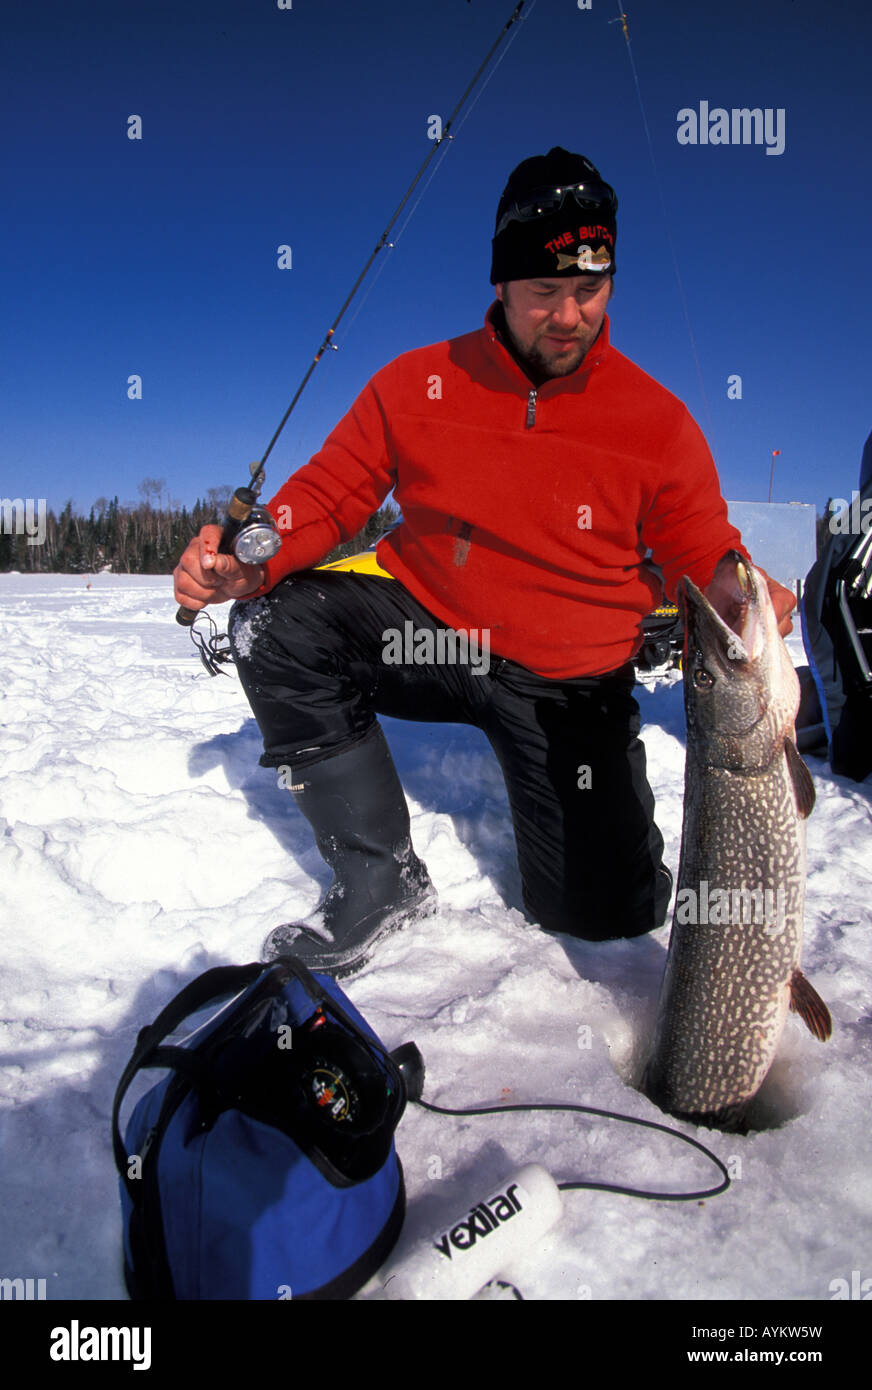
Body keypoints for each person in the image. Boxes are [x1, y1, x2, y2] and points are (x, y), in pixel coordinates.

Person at [174, 146, 795, 976]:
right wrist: (253, 558)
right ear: (500, 283)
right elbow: (326, 496)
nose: (569, 315)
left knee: (601, 919)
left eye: (590, 288)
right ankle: (377, 879)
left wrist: (738, 589)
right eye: (545, 292)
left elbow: (700, 547)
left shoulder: (658, 422)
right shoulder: (417, 383)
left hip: (565, 684)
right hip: (435, 633)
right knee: (276, 624)